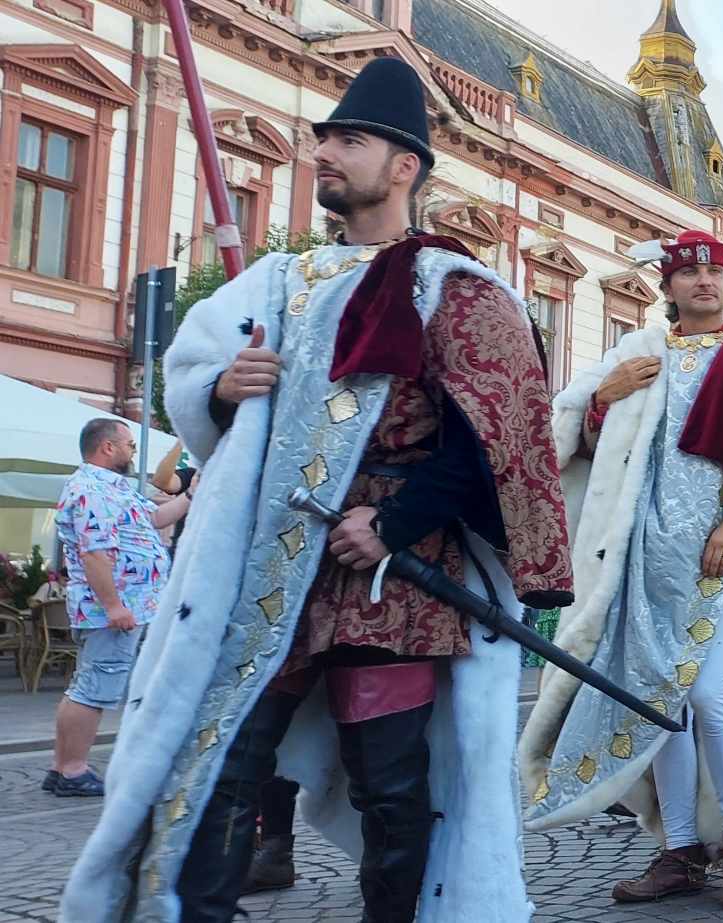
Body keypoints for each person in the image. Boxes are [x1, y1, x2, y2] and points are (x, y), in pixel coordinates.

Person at [65, 58, 574, 923]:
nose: (325, 154)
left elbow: (494, 437)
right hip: (270, 565)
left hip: (392, 577)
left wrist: (396, 522)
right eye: (323, 139)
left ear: (404, 165)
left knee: (391, 781)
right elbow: (193, 373)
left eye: (350, 140)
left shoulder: (456, 290)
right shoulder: (275, 282)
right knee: (223, 756)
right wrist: (223, 388)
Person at [520, 228, 723, 907]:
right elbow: (590, 448)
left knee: (709, 693)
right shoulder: (638, 353)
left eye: (714, 271)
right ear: (668, 286)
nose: (704, 282)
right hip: (646, 554)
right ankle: (682, 849)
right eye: (688, 273)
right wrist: (604, 398)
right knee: (659, 698)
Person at [44, 419, 187, 799]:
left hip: (123, 606)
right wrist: (113, 605)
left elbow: (155, 519)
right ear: (108, 447)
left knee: (84, 686)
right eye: (129, 445)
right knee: (93, 690)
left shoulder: (113, 488)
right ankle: (73, 771)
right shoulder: (91, 490)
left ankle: (60, 766)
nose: (132, 451)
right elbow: (94, 553)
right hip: (112, 610)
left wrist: (193, 495)